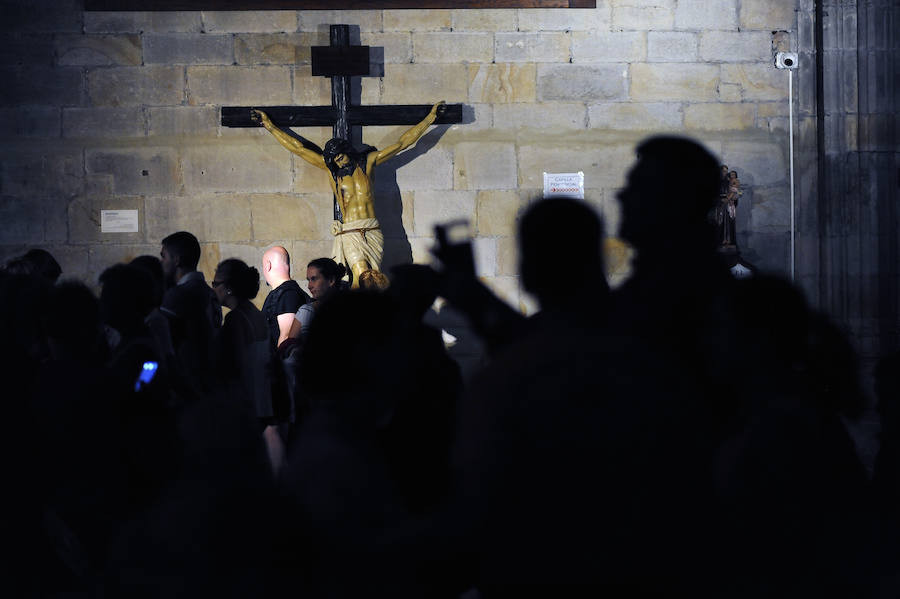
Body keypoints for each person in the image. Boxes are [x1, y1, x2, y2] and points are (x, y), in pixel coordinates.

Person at [252, 102, 445, 287]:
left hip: (372, 230)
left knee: (376, 280)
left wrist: (430, 118)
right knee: (360, 274)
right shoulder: (333, 172)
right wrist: (269, 125)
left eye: (341, 157)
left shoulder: (367, 163)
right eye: (335, 160)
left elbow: (402, 143)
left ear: (347, 151)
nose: (339, 162)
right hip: (351, 231)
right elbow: (299, 149)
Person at [211, 258, 284, 476]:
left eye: (216, 284)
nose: (213, 289)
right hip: (262, 400)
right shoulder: (254, 313)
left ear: (229, 287)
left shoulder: (236, 319)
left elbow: (229, 363)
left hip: (245, 400)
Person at [159, 231, 222, 394]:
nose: (162, 262)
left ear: (177, 259)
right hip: (210, 379)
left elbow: (164, 342)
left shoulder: (179, 295)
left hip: (187, 382)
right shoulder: (210, 293)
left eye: (164, 256)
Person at [286, 258, 346, 343]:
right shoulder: (306, 312)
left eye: (314, 279)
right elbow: (289, 346)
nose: (309, 286)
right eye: (308, 280)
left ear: (331, 280)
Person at [261, 246, 309, 351]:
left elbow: (287, 337)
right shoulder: (283, 293)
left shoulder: (287, 294)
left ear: (268, 265)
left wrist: (277, 366)